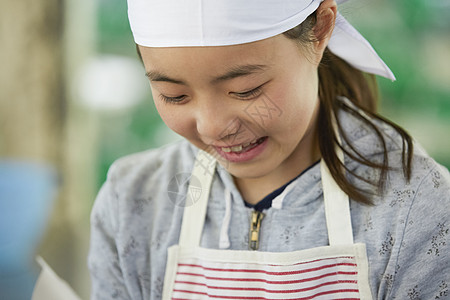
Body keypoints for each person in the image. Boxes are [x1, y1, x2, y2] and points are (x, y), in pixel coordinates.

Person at [88, 0, 450, 299]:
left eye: (246, 89)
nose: (213, 127)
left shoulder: (414, 208)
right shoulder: (131, 204)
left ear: (321, 29)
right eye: (175, 96)